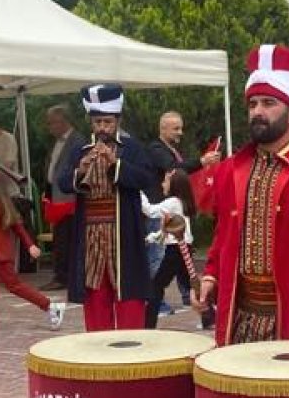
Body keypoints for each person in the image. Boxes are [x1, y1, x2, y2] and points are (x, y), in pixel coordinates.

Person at [193, 44, 289, 345]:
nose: (258, 111)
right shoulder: (230, 169)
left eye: (269, 103)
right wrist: (211, 275)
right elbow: (224, 233)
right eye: (253, 104)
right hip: (240, 314)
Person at [58, 83, 155, 331]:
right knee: (95, 293)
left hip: (124, 234)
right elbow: (61, 182)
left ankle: (131, 352)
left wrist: (116, 164)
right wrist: (80, 169)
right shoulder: (80, 150)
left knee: (128, 294)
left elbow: (147, 179)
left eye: (107, 122)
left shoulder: (131, 148)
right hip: (90, 235)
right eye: (98, 122)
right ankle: (98, 353)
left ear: (117, 121)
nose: (102, 128)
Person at [146, 111, 222, 310]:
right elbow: (174, 169)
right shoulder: (156, 149)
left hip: (172, 220)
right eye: (176, 128)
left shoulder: (171, 150)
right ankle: (178, 302)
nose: (181, 132)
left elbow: (177, 170)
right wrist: (202, 162)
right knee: (166, 262)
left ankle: (194, 302)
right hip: (165, 215)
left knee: (178, 267)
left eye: (181, 128)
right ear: (163, 129)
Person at [0, 173, 66, 330]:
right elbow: (17, 224)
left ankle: (50, 305)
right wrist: (29, 245)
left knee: (13, 285)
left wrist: (30, 245)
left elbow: (16, 224)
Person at [141, 169, 200, 328]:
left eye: (165, 181)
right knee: (192, 285)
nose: (162, 184)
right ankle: (210, 315)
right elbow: (167, 230)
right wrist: (152, 237)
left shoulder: (173, 202)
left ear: (173, 184)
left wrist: (138, 191)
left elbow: (150, 210)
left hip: (176, 249)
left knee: (157, 286)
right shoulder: (180, 202)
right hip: (182, 247)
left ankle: (148, 324)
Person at [40, 106, 84, 291]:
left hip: (70, 198)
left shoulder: (77, 141)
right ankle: (62, 275)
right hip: (56, 197)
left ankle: (64, 276)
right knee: (60, 238)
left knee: (67, 239)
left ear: (64, 121)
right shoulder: (57, 142)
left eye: (53, 122)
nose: (50, 127)